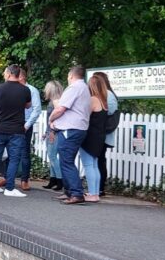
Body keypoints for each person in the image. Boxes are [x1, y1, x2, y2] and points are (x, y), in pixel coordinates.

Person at [0, 64, 31, 198]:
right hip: (17, 129)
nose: (4, 74)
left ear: (10, 73)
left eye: (5, 72)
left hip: (0, 128)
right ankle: (9, 188)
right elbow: (28, 105)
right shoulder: (25, 90)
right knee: (14, 159)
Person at [49, 66, 91, 205]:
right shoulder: (85, 88)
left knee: (66, 161)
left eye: (68, 77)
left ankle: (77, 193)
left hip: (70, 129)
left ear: (71, 76)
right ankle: (69, 191)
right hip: (79, 128)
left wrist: (51, 119)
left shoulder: (74, 88)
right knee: (66, 160)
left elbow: (61, 108)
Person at [77, 75, 108, 203]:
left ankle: (92, 193)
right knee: (94, 165)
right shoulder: (103, 100)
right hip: (99, 137)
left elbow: (84, 115)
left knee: (89, 165)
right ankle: (95, 193)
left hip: (89, 137)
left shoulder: (92, 99)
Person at [93, 71, 118, 196]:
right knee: (99, 159)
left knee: (100, 160)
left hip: (103, 133)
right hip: (100, 133)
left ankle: (100, 188)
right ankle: (98, 187)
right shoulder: (105, 94)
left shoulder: (108, 94)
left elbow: (109, 111)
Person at [18, 68, 42, 191]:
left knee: (24, 152)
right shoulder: (14, 89)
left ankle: (24, 180)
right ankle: (8, 177)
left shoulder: (32, 90)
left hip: (25, 123)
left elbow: (37, 110)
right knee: (9, 151)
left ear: (22, 77)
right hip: (13, 123)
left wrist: (27, 125)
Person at [41, 80, 64, 191]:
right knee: (52, 156)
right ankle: (53, 179)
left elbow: (57, 118)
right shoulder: (57, 100)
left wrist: (52, 132)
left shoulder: (55, 101)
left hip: (53, 132)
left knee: (53, 156)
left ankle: (60, 181)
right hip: (51, 132)